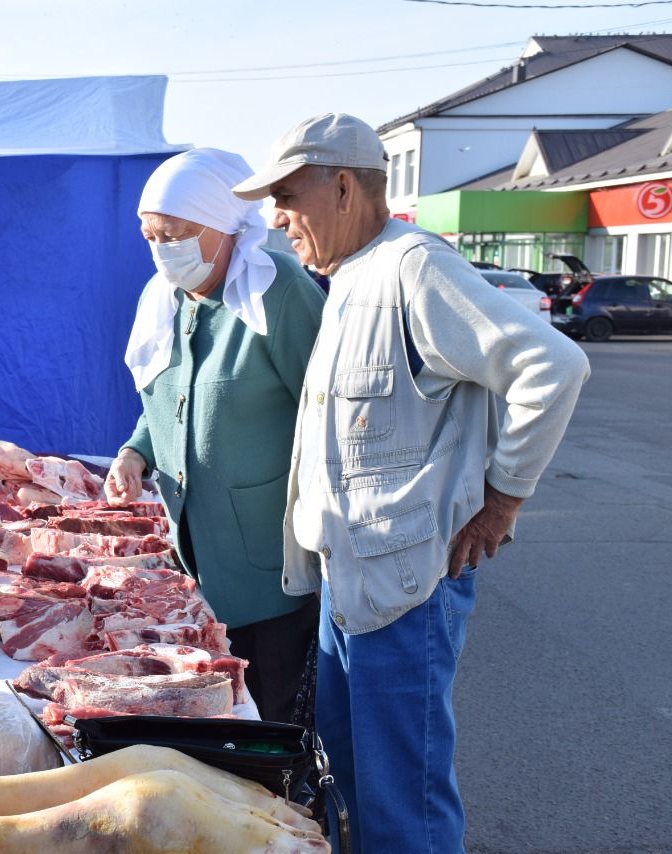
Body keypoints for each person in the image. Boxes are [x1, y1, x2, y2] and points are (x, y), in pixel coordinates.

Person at [232, 114, 590, 851]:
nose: (277, 218)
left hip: (406, 589)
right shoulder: (349, 277)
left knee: (404, 808)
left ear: (340, 185)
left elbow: (553, 367)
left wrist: (503, 498)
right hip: (350, 582)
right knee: (350, 789)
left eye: (287, 195)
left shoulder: (414, 267)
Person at [105, 148, 327, 723]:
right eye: (150, 235)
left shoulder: (278, 294)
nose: (161, 250)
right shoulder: (167, 299)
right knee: (209, 723)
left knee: (267, 722)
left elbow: (329, 413)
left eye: (175, 234)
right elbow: (164, 398)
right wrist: (137, 450)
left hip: (269, 574)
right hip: (193, 564)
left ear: (228, 224)